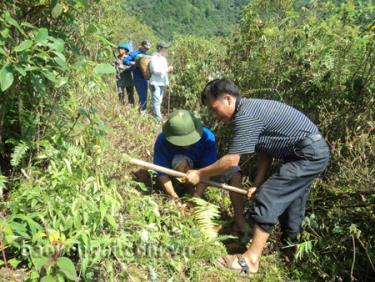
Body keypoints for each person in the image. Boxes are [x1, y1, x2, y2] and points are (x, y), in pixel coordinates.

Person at [184, 79, 330, 275]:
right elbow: (265, 154)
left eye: (214, 108)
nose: (214, 115)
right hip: (309, 153)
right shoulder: (249, 111)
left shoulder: (246, 115)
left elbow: (231, 162)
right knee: (292, 206)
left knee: (268, 196)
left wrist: (199, 173)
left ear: (228, 99)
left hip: (308, 154)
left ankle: (251, 260)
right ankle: (289, 255)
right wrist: (257, 183)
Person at [153, 109, 248, 232]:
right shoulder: (162, 140)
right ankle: (187, 190)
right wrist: (174, 198)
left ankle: (239, 220)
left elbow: (208, 171)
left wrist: (197, 197)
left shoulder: (207, 138)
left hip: (203, 171)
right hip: (179, 171)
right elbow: (162, 173)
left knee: (235, 172)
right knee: (181, 162)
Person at [149, 41, 173, 122]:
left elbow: (165, 74)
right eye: (164, 48)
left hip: (162, 83)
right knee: (157, 101)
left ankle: (156, 117)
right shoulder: (154, 58)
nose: (166, 50)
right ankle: (159, 119)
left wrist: (167, 83)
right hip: (155, 83)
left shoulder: (164, 59)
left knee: (159, 101)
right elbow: (155, 70)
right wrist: (167, 69)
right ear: (159, 48)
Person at [124, 40, 151, 111]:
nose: (146, 49)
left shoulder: (147, 54)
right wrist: (134, 63)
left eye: (147, 48)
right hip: (138, 78)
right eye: (145, 48)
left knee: (145, 96)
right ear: (141, 46)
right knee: (142, 96)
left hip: (145, 78)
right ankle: (142, 111)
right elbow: (125, 61)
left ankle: (141, 110)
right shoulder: (134, 53)